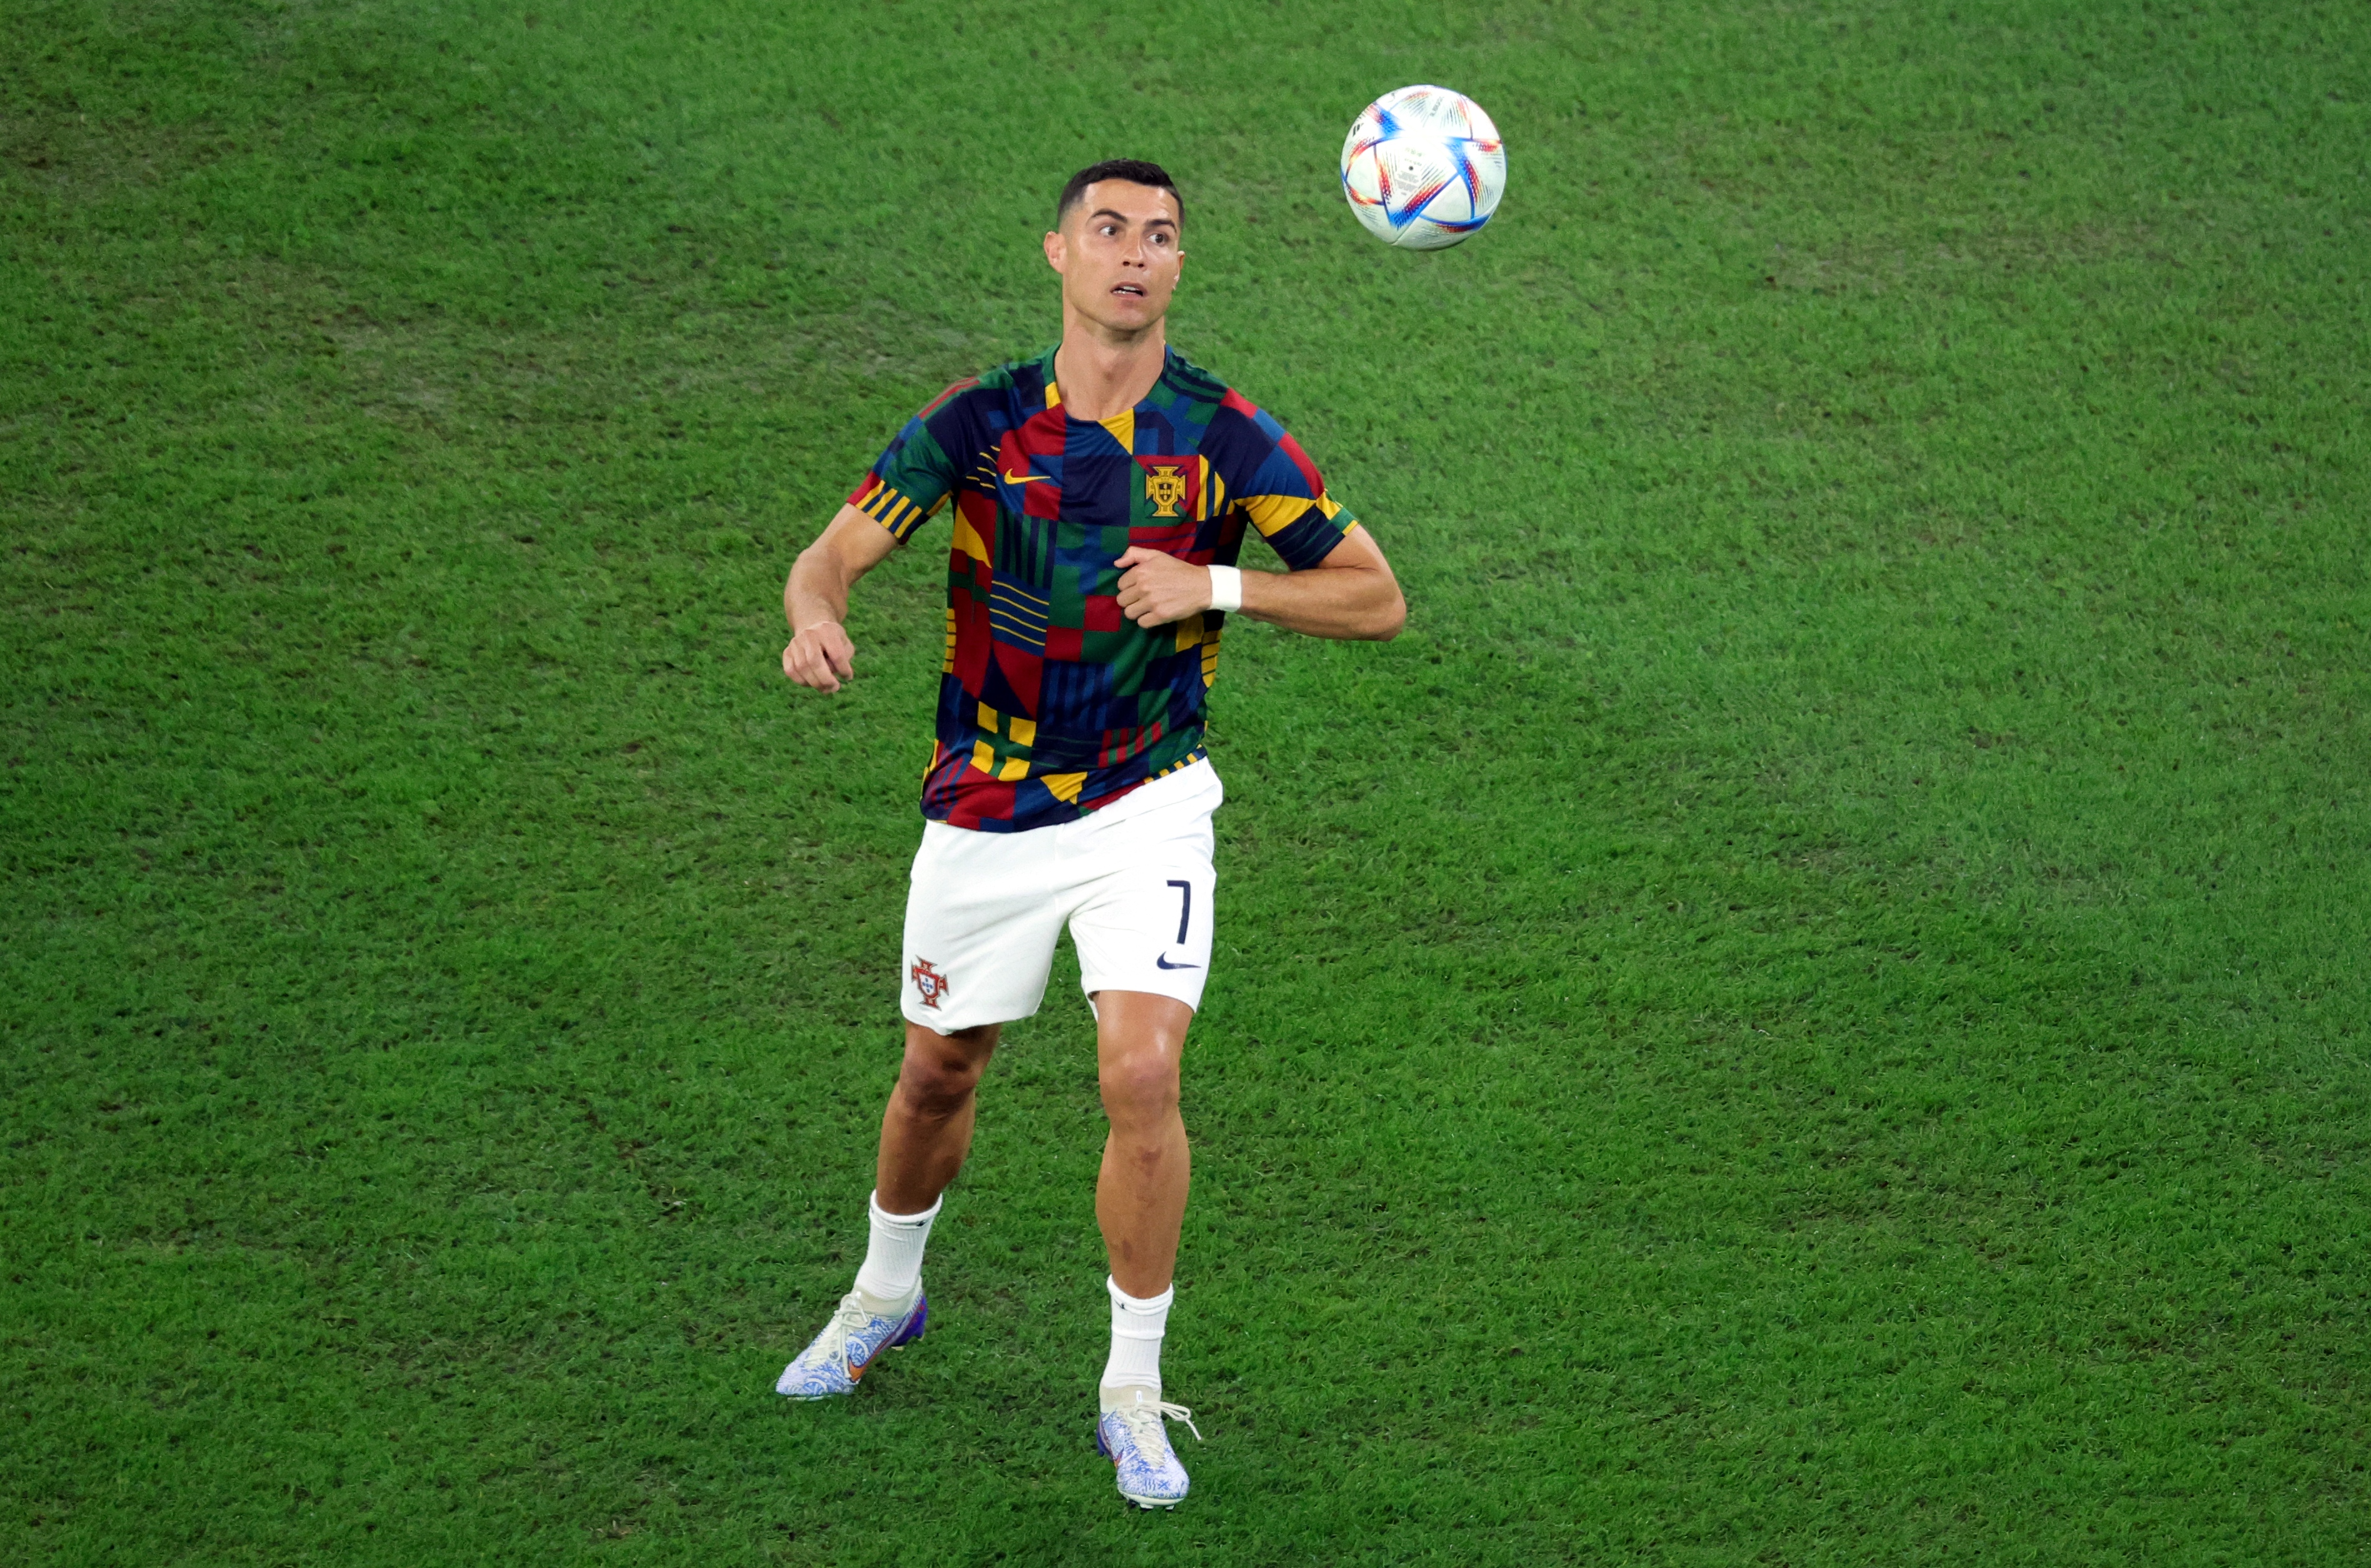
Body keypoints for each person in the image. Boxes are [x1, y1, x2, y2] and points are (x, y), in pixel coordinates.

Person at [773, 158, 1405, 1509]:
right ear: (1058, 253)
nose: (1134, 253)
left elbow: (1375, 596)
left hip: (1146, 802)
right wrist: (816, 615)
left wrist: (1216, 581)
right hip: (987, 805)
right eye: (1109, 230)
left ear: (1179, 267)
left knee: (1142, 1074)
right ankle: (884, 1295)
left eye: (1160, 236)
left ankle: (1131, 1388)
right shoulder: (979, 421)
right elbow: (829, 554)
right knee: (939, 1072)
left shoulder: (1226, 437)